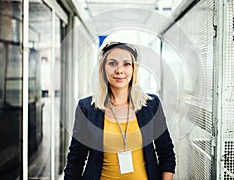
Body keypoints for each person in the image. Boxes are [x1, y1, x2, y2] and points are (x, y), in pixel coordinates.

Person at [64, 40, 176, 180]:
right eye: (112, 63)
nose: (119, 70)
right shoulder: (87, 108)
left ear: (134, 69)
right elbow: (75, 161)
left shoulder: (151, 105)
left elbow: (166, 154)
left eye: (126, 64)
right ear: (103, 68)